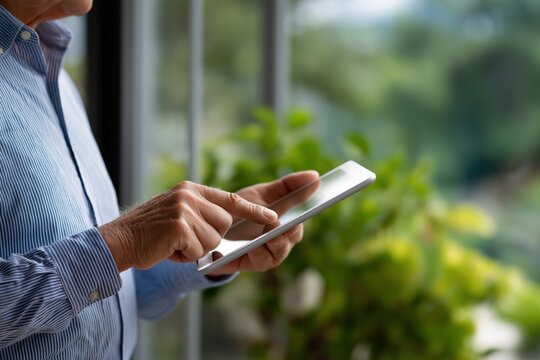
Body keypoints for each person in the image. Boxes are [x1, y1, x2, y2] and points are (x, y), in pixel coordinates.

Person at [0, 0, 319, 358]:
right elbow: (101, 258)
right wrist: (123, 242)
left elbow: (98, 295)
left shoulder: (48, 71)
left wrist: (212, 247)